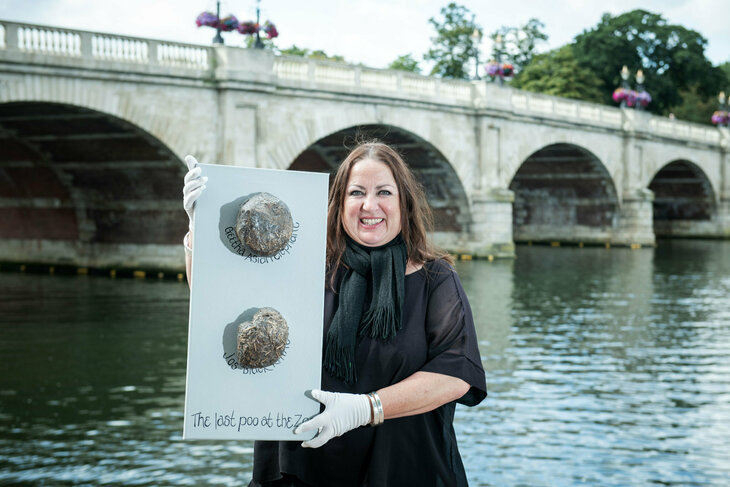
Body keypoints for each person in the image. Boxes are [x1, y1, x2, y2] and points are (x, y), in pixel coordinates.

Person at [182, 142, 487, 486]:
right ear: (339, 203)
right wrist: (200, 229)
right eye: (357, 192)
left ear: (404, 202)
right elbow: (220, 311)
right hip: (299, 469)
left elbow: (457, 373)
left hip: (404, 469)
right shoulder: (303, 269)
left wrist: (365, 409)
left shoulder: (436, 279)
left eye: (384, 192)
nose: (369, 205)